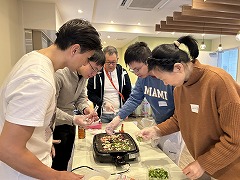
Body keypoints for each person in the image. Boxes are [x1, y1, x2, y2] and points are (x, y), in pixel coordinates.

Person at [0, 18, 102, 180]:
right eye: (87, 58)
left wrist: (44, 142)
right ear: (75, 50)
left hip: (32, 161)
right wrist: (59, 176)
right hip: (22, 173)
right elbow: (8, 149)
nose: (85, 63)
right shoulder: (38, 79)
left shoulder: (33, 59)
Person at [138, 35, 240, 180]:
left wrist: (202, 164)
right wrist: (157, 130)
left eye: (163, 78)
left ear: (178, 68)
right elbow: (179, 119)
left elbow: (235, 139)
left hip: (231, 168)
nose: (165, 84)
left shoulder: (218, 82)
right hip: (205, 162)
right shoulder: (179, 88)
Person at [105, 42, 184, 164]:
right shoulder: (142, 79)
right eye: (133, 70)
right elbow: (134, 99)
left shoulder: (169, 78)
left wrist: (159, 129)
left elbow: (180, 114)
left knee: (170, 163)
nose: (136, 73)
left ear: (149, 62)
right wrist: (118, 118)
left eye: (138, 68)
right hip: (157, 123)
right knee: (157, 157)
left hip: (174, 127)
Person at [52, 50, 105, 171]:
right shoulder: (60, 74)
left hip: (70, 124)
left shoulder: (83, 76)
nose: (94, 73)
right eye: (94, 68)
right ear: (85, 60)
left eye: (98, 71)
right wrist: (74, 119)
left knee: (66, 159)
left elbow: (80, 98)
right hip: (55, 126)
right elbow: (49, 109)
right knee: (56, 166)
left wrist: (86, 109)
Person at [87, 46, 132, 123]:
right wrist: (103, 103)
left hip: (119, 114)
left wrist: (126, 110)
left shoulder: (123, 73)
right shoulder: (96, 72)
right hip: (101, 114)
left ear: (117, 60)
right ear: (103, 60)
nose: (111, 65)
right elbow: (91, 94)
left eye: (113, 62)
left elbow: (128, 93)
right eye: (108, 62)